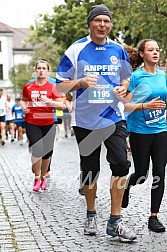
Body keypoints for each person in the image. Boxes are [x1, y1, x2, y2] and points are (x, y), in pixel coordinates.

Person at [56, 4, 136, 241]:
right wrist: (79, 83)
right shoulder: (76, 50)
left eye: (106, 21)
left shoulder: (117, 49)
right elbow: (59, 84)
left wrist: (124, 86)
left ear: (110, 24)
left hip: (113, 116)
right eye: (98, 20)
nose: (103, 25)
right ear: (90, 23)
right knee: (91, 170)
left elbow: (126, 75)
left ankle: (115, 220)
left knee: (121, 165)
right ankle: (91, 213)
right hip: (85, 121)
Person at [122, 39, 167, 233]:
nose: (155, 53)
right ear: (142, 53)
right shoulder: (136, 77)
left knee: (160, 172)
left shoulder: (163, 75)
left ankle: (153, 217)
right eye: (151, 50)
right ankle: (126, 187)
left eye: (157, 50)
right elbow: (125, 105)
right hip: (140, 132)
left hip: (161, 130)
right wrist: (145, 106)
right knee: (141, 175)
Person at [21, 59, 65, 191]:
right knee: (37, 149)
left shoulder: (52, 87)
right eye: (39, 68)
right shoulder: (28, 87)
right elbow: (23, 101)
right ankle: (36, 178)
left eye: (43, 68)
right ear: (36, 71)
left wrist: (50, 101)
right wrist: (24, 108)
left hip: (48, 122)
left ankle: (43, 177)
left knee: (47, 153)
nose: (41, 70)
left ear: (48, 70)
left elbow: (62, 105)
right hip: (32, 121)